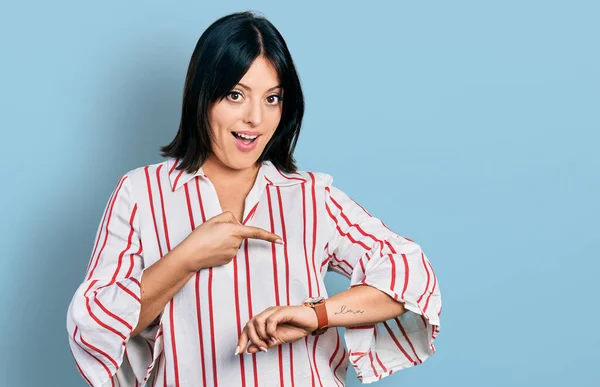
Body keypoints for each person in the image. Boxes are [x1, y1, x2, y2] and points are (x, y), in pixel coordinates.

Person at [66, 11, 442, 387]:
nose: (255, 118)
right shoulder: (141, 192)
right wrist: (186, 257)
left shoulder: (312, 197)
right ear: (203, 96)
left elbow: (411, 276)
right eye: (235, 95)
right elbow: (95, 323)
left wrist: (317, 314)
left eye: (272, 98)